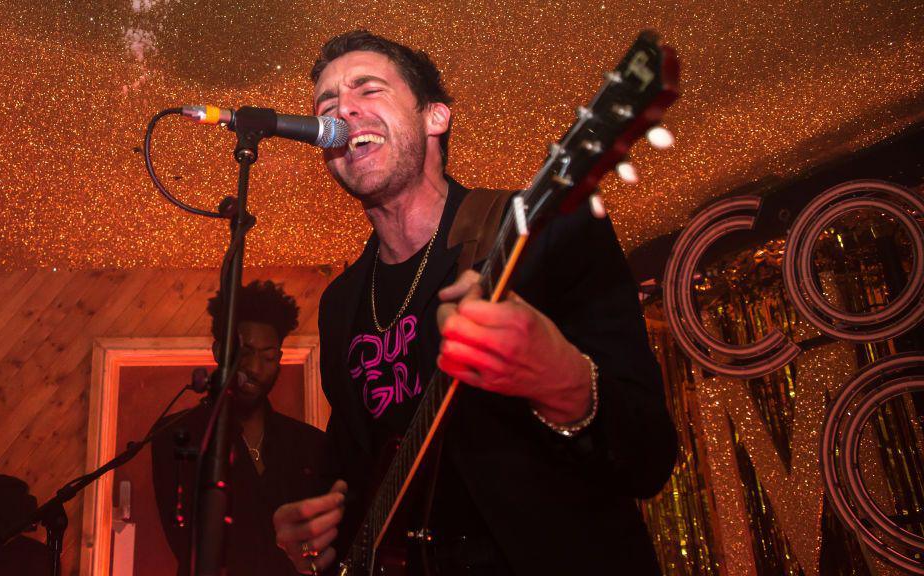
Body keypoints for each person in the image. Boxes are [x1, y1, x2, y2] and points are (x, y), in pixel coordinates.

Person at [273, 31, 678, 575]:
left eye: (367, 90)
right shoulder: (342, 303)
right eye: (327, 104)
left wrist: (561, 380)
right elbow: (356, 463)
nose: (342, 108)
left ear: (435, 117)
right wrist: (319, 528)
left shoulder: (544, 233)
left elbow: (649, 454)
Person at [152, 280, 327, 576]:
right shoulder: (178, 435)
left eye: (268, 357)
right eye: (245, 352)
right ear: (219, 350)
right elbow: (188, 542)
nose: (255, 369)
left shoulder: (310, 444)